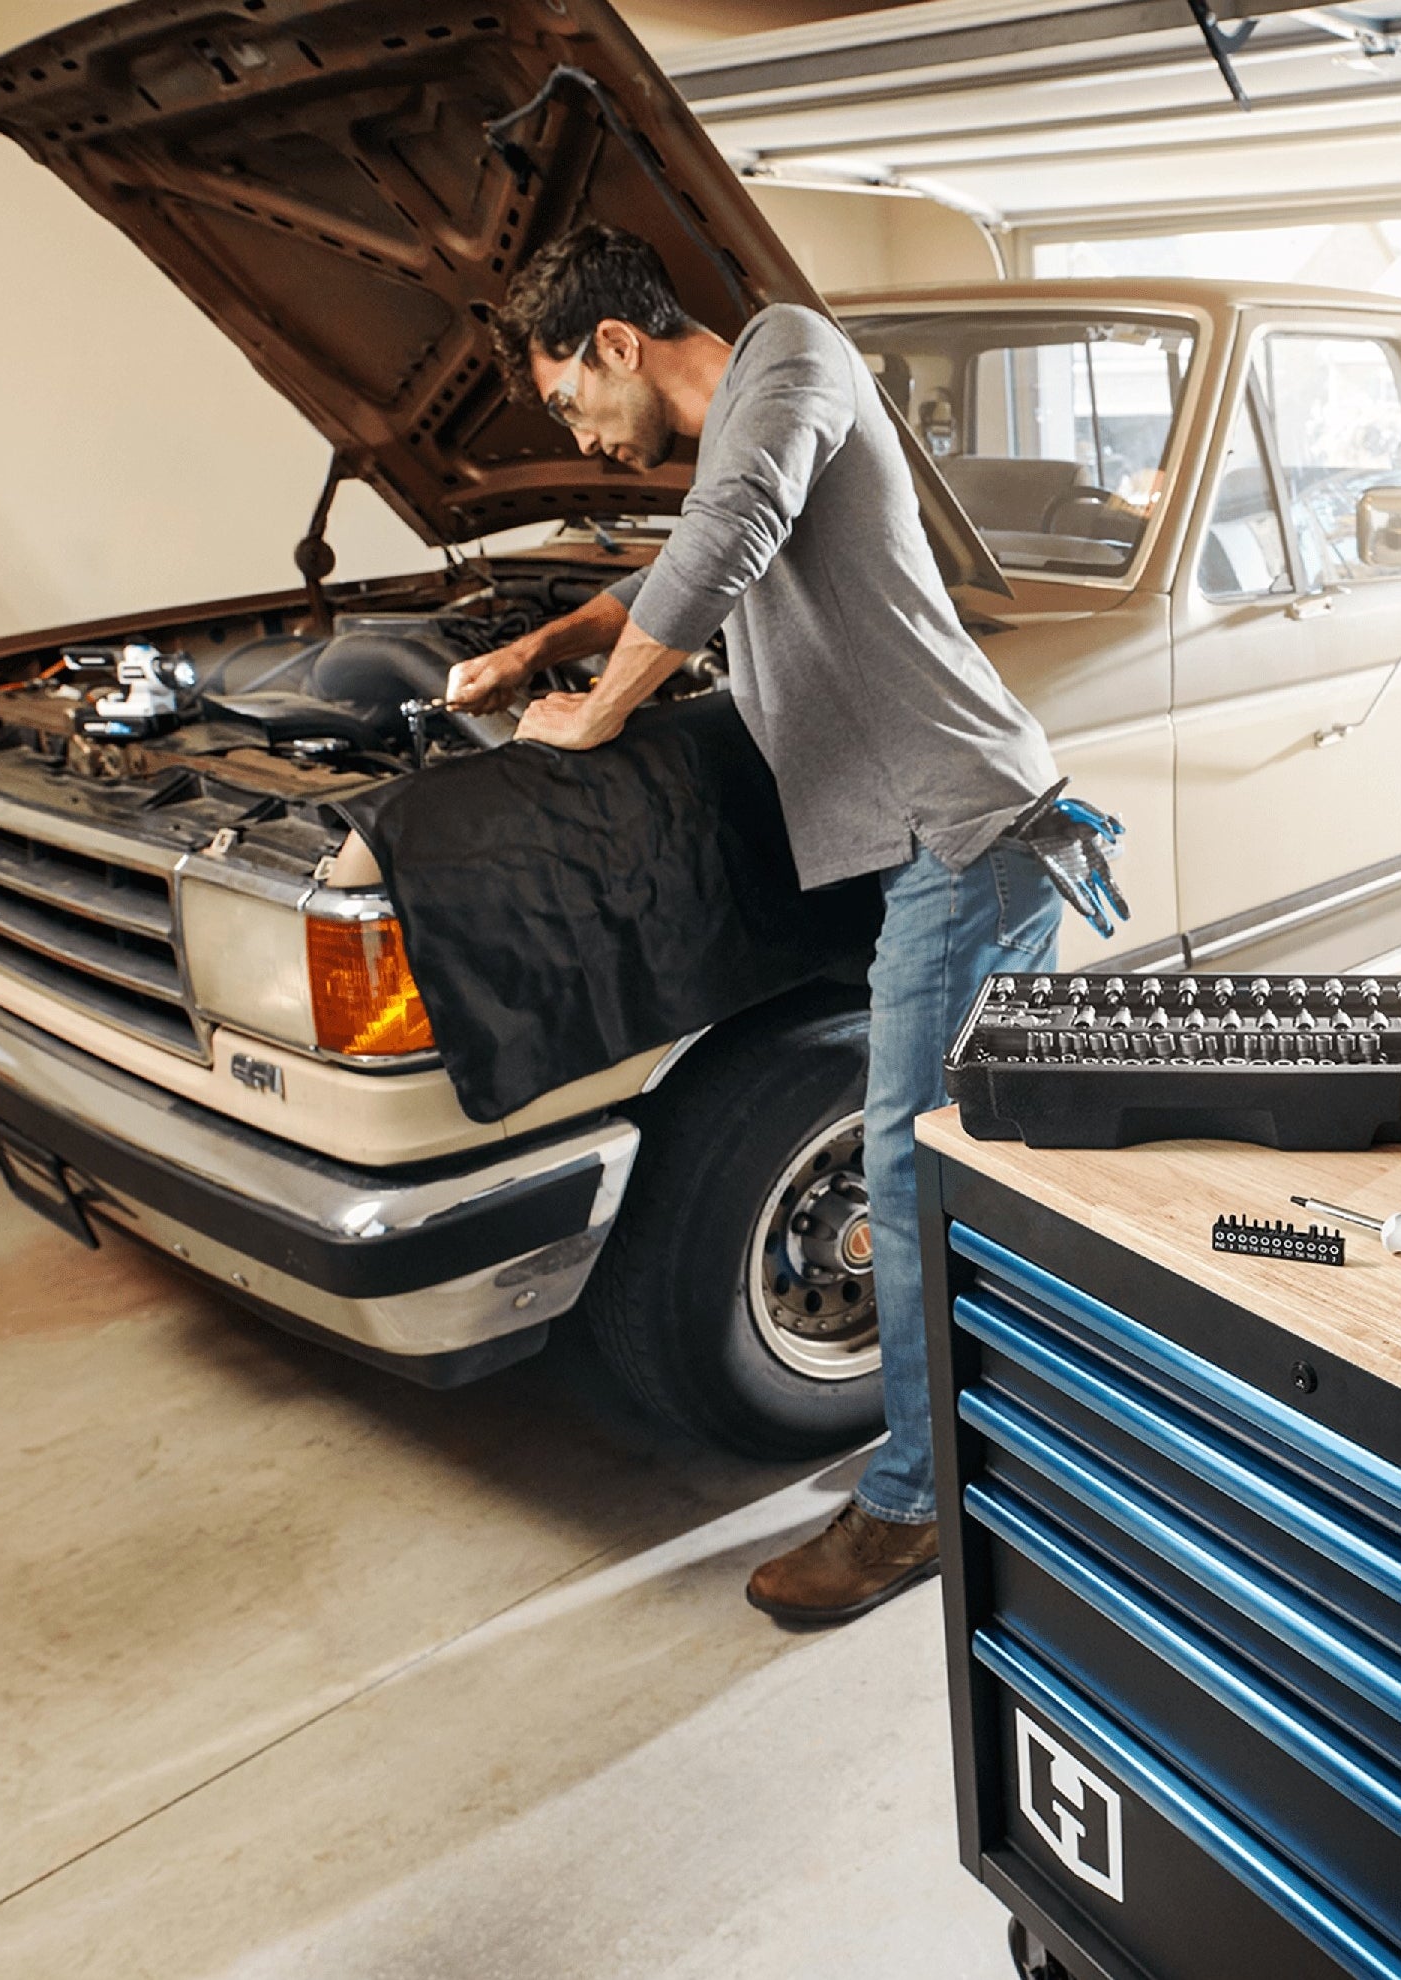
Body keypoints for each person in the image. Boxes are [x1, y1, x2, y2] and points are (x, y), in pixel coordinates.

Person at [449, 222, 1064, 1627]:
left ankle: (916, 1507)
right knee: (960, 1168)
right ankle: (981, 1434)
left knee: (912, 1177)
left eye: (566, 405)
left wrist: (593, 717)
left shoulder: (790, 351)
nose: (580, 436)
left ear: (615, 343)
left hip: (963, 834)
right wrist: (545, 649)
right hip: (917, 842)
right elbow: (690, 544)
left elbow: (730, 535)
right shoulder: (745, 420)